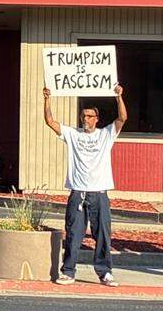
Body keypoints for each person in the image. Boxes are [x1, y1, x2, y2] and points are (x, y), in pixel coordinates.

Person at [43, 84, 127, 287]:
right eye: (84, 116)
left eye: (90, 116)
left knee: (103, 234)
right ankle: (68, 271)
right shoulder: (73, 134)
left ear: (97, 119)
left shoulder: (105, 134)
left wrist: (118, 97)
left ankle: (105, 272)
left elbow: (122, 118)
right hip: (78, 192)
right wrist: (47, 99)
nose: (86, 119)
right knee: (73, 234)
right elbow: (50, 121)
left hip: (99, 192)